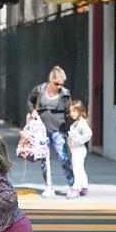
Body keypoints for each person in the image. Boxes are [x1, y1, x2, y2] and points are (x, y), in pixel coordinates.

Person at [26, 66, 74, 198]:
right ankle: (48, 186)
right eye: (56, 83)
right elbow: (30, 101)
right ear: (50, 80)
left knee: (63, 157)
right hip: (42, 129)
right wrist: (32, 111)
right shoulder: (40, 90)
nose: (59, 86)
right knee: (44, 159)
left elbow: (69, 112)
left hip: (59, 129)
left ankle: (72, 185)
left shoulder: (65, 93)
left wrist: (70, 131)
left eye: (61, 84)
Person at [66, 100, 92, 199]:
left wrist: (76, 141)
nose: (72, 113)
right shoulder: (77, 123)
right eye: (71, 111)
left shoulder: (82, 123)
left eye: (74, 111)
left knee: (77, 169)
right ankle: (84, 188)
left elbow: (88, 134)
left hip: (79, 149)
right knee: (80, 169)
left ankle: (76, 189)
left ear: (80, 111)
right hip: (76, 149)